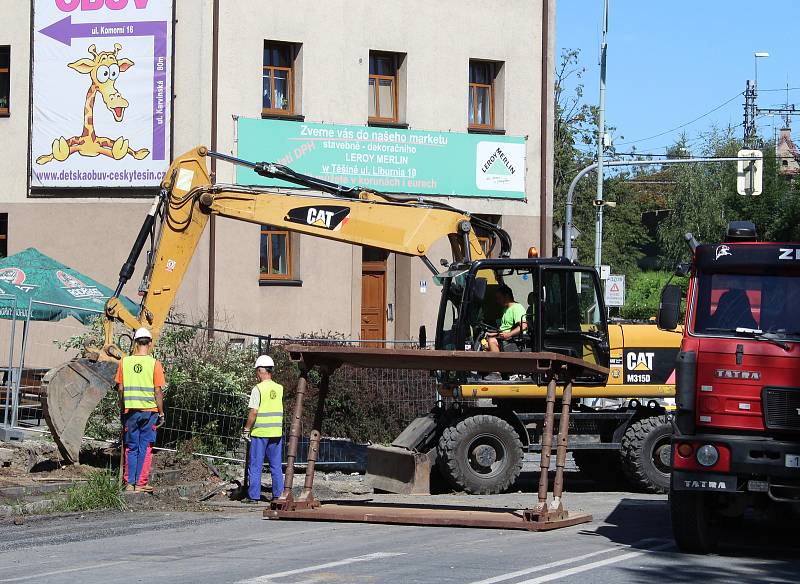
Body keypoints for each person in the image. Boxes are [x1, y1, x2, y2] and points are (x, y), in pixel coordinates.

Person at [116, 327, 166, 493]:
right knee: (146, 447)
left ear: (135, 343)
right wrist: (161, 412)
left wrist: (123, 408)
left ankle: (129, 483)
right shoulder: (154, 363)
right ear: (150, 344)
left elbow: (121, 389)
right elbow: (158, 391)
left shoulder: (125, 362)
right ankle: (141, 483)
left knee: (131, 446)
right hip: (149, 412)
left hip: (130, 412)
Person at [242, 355, 285, 502]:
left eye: (256, 371)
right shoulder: (279, 388)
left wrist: (247, 429)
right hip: (276, 432)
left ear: (261, 371)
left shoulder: (258, 389)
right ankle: (278, 495)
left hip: (260, 432)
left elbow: (254, 412)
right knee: (276, 466)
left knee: (255, 465)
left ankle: (253, 496)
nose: (256, 374)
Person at [486, 285, 527, 352]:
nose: (497, 301)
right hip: (504, 337)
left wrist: (509, 334)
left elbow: (524, 326)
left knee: (492, 341)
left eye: (499, 298)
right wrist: (494, 333)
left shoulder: (517, 308)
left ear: (507, 296)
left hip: (512, 339)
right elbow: (506, 328)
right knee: (485, 344)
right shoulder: (506, 309)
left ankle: (497, 362)